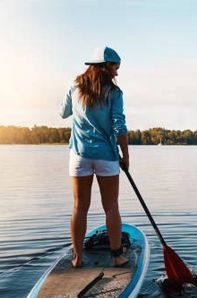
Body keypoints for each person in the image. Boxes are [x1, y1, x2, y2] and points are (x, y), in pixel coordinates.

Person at [59, 46, 129, 268]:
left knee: (80, 206)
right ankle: (117, 256)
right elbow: (120, 126)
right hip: (107, 156)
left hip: (79, 155)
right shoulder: (115, 94)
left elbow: (63, 113)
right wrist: (125, 155)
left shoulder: (75, 87)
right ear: (105, 66)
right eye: (115, 68)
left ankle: (78, 258)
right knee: (111, 207)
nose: (117, 73)